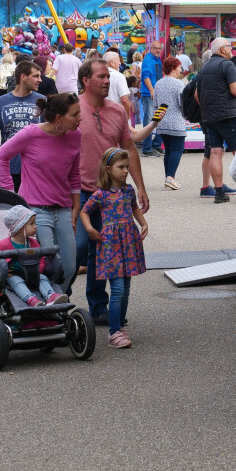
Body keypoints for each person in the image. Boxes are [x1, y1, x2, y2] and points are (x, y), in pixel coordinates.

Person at [74, 58, 151, 326]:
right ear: (86, 81)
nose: (107, 81)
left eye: (108, 76)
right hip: (78, 191)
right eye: (101, 77)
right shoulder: (73, 109)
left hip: (110, 193)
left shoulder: (118, 111)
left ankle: (98, 307)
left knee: (99, 248)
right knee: (79, 247)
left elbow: (129, 149)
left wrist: (139, 187)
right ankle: (56, 298)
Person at [0, 93, 82, 290]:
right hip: (36, 211)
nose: (80, 118)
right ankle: (46, 308)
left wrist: (76, 206)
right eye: (75, 114)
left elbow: (75, 173)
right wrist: (11, 194)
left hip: (64, 210)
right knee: (45, 268)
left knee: (69, 267)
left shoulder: (75, 135)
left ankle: (56, 303)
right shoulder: (30, 134)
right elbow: (1, 157)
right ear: (59, 118)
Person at [80, 147, 148, 349]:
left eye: (127, 167)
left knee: (125, 289)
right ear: (108, 169)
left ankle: (118, 326)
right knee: (118, 289)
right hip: (110, 246)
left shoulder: (128, 190)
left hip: (127, 243)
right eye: (121, 167)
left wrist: (143, 223)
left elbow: (134, 207)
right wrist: (91, 229)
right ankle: (114, 332)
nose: (126, 171)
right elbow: (84, 212)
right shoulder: (100, 194)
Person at [0, 60, 44, 191]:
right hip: (10, 168)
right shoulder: (2, 102)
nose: (40, 80)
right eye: (36, 76)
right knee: (12, 208)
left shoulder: (43, 101)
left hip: (36, 168)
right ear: (23, 77)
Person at [196, 37, 236, 203]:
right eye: (229, 47)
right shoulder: (227, 65)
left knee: (215, 152)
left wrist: (208, 106)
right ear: (222, 49)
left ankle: (219, 193)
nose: (231, 50)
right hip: (228, 115)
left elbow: (197, 95)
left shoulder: (204, 68)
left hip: (209, 117)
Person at [0, 206, 69, 307]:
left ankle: (50, 296)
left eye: (35, 223)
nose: (35, 226)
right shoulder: (3, 245)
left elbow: (42, 258)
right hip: (14, 276)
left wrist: (38, 270)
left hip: (32, 274)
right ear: (19, 227)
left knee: (42, 278)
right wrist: (6, 272)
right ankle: (30, 299)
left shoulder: (33, 243)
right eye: (31, 224)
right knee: (16, 281)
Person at [154, 56, 188, 190]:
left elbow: (155, 104)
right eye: (179, 67)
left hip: (162, 122)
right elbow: (182, 104)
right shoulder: (179, 84)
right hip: (176, 122)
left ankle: (168, 176)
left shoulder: (158, 83)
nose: (180, 70)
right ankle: (170, 177)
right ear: (173, 69)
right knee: (177, 150)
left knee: (168, 150)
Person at [139, 41, 164, 157]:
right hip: (149, 95)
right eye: (155, 48)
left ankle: (155, 145)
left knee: (160, 119)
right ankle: (147, 148)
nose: (158, 50)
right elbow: (146, 76)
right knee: (149, 121)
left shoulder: (157, 59)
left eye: (159, 48)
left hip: (156, 94)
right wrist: (152, 90)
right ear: (151, 48)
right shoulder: (148, 59)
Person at [104, 51, 131, 117]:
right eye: (118, 60)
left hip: (101, 117)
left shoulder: (97, 75)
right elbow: (124, 99)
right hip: (116, 116)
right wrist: (127, 118)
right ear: (112, 63)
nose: (120, 63)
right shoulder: (119, 76)